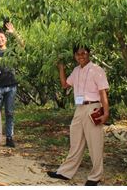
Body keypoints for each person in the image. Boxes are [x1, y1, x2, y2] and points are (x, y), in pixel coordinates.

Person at [47, 46, 110, 185]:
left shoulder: (97, 70)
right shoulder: (76, 70)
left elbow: (103, 93)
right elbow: (65, 85)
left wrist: (106, 113)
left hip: (93, 107)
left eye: (84, 53)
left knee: (95, 143)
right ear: (75, 56)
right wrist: (61, 69)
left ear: (88, 54)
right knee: (75, 141)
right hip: (80, 108)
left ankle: (95, 176)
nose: (81, 56)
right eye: (78, 54)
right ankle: (65, 172)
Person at [0, 23, 24, 147]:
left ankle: (10, 138)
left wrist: (14, 32)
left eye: (2, 37)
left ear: (5, 38)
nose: (0, 39)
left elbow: (22, 45)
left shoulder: (11, 51)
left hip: (11, 86)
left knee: (10, 112)